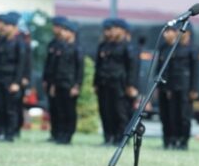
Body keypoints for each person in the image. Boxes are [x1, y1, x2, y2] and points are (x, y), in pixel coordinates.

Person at [94, 18, 139, 146]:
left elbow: (132, 68)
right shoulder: (104, 46)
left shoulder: (128, 47)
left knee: (121, 112)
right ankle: (109, 137)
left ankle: (122, 138)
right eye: (107, 30)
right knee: (106, 111)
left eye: (111, 29)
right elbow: (98, 66)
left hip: (121, 85)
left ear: (122, 30)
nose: (109, 32)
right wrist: (96, 83)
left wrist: (131, 85)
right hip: (104, 83)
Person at [157, 24, 199, 150]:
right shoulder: (172, 48)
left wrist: (194, 89)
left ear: (189, 33)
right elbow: (168, 70)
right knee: (172, 115)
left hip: (186, 87)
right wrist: (167, 88)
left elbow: (195, 71)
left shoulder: (193, 49)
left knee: (184, 116)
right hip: (173, 86)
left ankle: (183, 141)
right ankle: (173, 139)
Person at [0, 12, 27, 142]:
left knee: (11, 109)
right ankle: (2, 132)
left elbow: (21, 64)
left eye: (6, 25)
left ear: (14, 26)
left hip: (11, 79)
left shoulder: (20, 42)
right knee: (0, 107)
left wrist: (16, 82)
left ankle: (10, 134)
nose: (3, 27)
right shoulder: (2, 41)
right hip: (0, 79)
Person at [48, 20, 84, 144]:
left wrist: (77, 85)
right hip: (59, 83)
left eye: (65, 30)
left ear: (71, 33)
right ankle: (60, 134)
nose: (62, 33)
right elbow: (55, 68)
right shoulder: (61, 47)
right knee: (60, 110)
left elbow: (80, 69)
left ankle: (68, 135)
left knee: (69, 111)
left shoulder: (77, 49)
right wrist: (52, 84)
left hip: (70, 85)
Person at [43, 16, 67, 142]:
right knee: (53, 109)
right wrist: (45, 79)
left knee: (62, 110)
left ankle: (62, 135)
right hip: (51, 81)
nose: (55, 29)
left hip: (62, 82)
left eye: (57, 27)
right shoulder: (53, 43)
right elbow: (48, 64)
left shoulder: (66, 45)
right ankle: (54, 134)